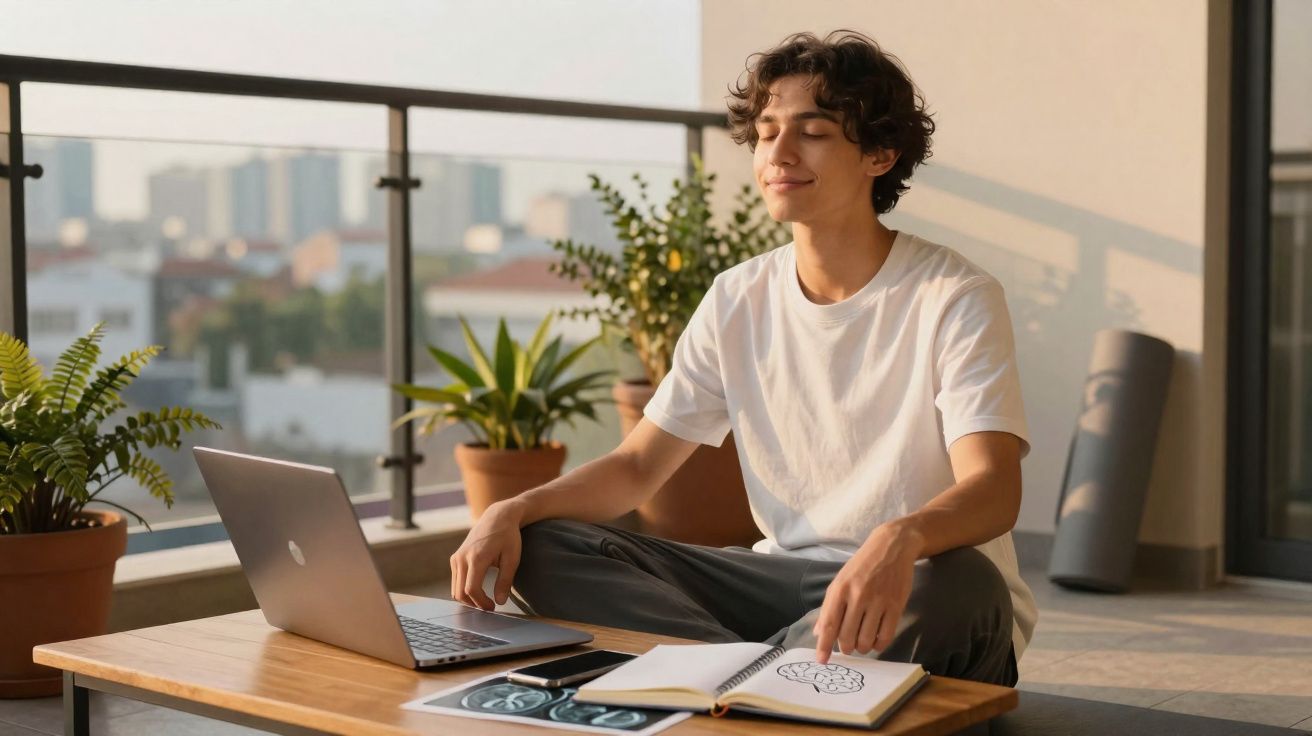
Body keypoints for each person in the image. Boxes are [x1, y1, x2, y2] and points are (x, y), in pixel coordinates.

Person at [447, 30, 1035, 687]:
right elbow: (637, 467)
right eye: (766, 130)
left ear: (880, 153)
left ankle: (728, 679)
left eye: (811, 132)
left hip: (918, 586)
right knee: (547, 545)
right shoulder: (737, 296)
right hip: (779, 581)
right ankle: (769, 684)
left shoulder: (955, 296)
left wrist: (900, 538)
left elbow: (993, 491)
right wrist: (510, 511)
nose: (778, 153)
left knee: (962, 585)